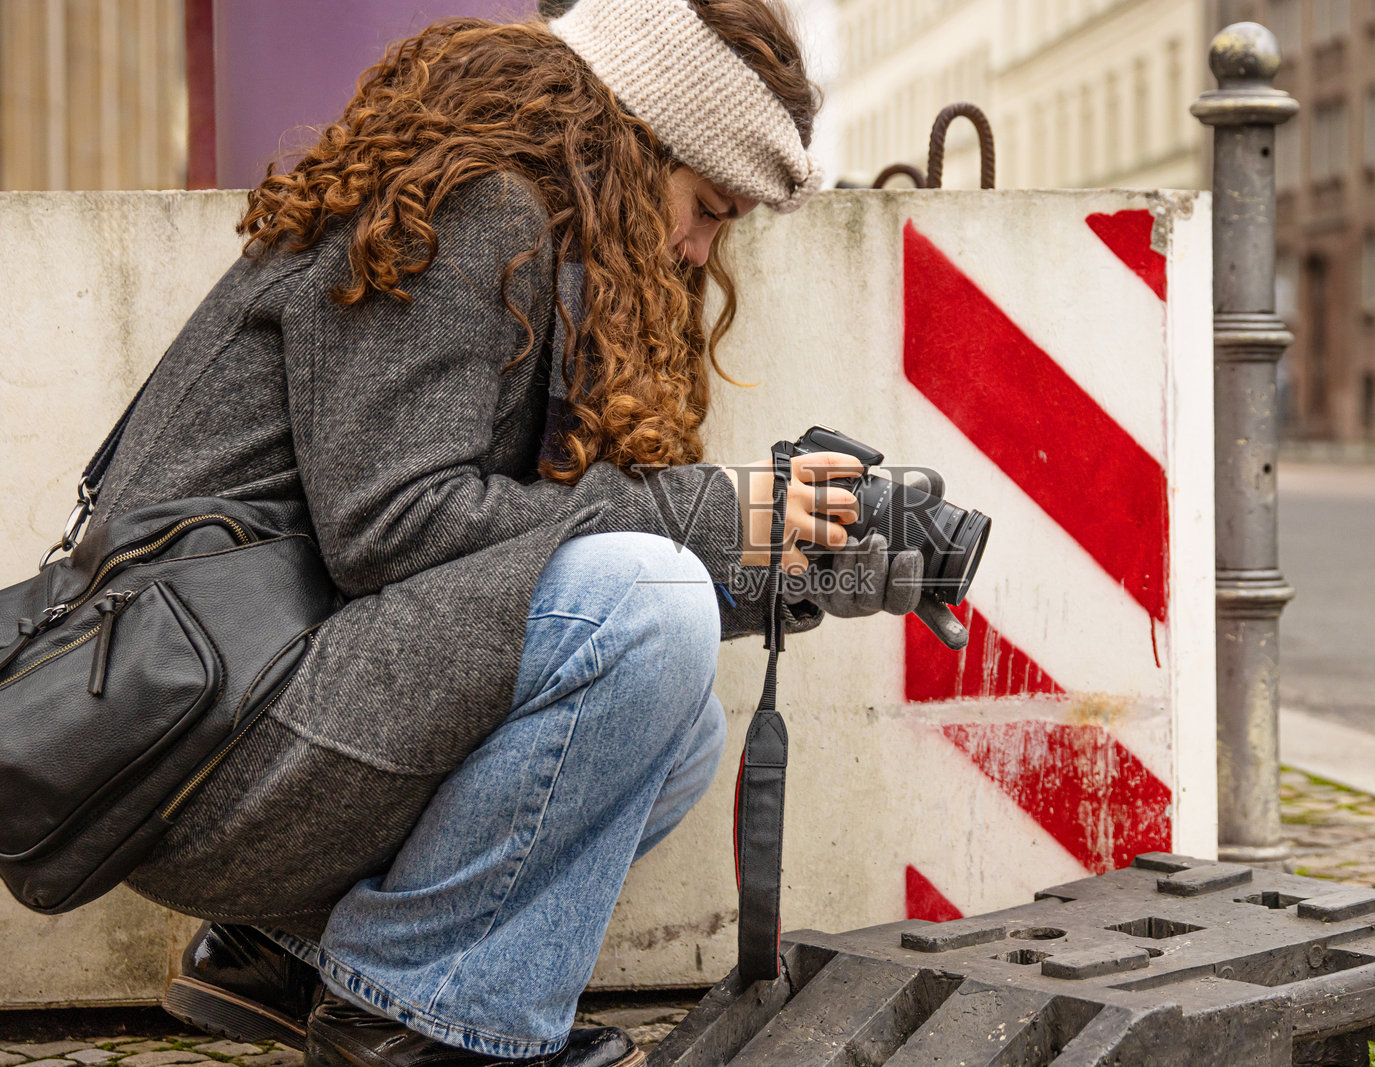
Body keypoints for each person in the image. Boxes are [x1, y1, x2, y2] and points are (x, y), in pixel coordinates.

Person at [96, 2, 925, 1066]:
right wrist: (711, 515)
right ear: (637, 141)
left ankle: (292, 950)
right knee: (647, 614)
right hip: (186, 743)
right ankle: (420, 1013)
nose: (698, 248)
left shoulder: (534, 230)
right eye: (706, 207)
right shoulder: (473, 205)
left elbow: (518, 573)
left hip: (243, 709)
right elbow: (392, 527)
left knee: (673, 733)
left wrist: (778, 561)